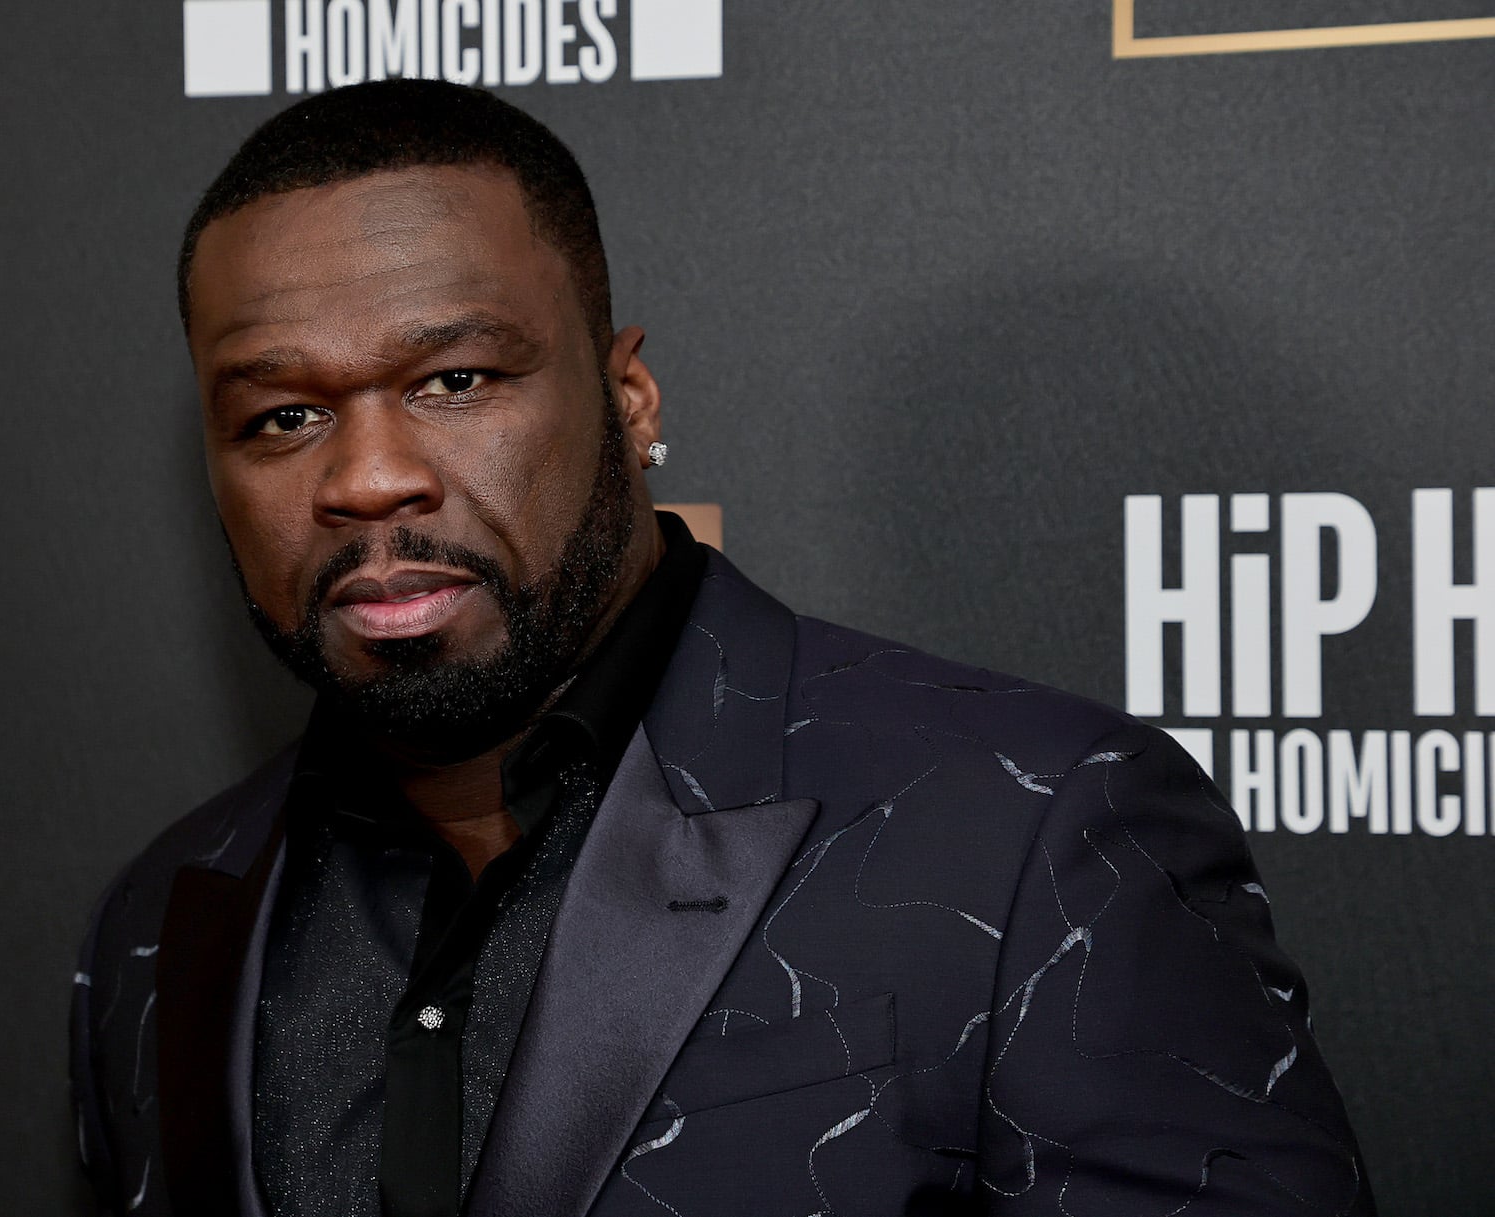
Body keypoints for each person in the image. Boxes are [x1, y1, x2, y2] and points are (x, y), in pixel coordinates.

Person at [70, 79, 1373, 1217]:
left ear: (629, 398)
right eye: (284, 416)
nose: (366, 477)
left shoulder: (1033, 835)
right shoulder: (161, 916)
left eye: (454, 381)